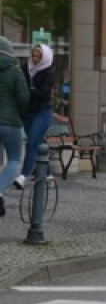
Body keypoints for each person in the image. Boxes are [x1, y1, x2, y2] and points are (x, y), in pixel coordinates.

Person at [15, 44, 55, 189]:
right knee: (38, 143)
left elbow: (44, 94)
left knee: (32, 143)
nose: (35, 59)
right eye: (33, 55)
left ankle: (23, 176)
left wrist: (28, 91)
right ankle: (48, 174)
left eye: (38, 56)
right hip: (29, 111)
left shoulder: (48, 72)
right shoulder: (25, 68)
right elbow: (20, 85)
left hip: (43, 111)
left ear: (44, 57)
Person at [0, 36, 29, 218]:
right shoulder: (15, 70)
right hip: (10, 123)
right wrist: (20, 114)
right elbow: (24, 98)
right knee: (14, 160)